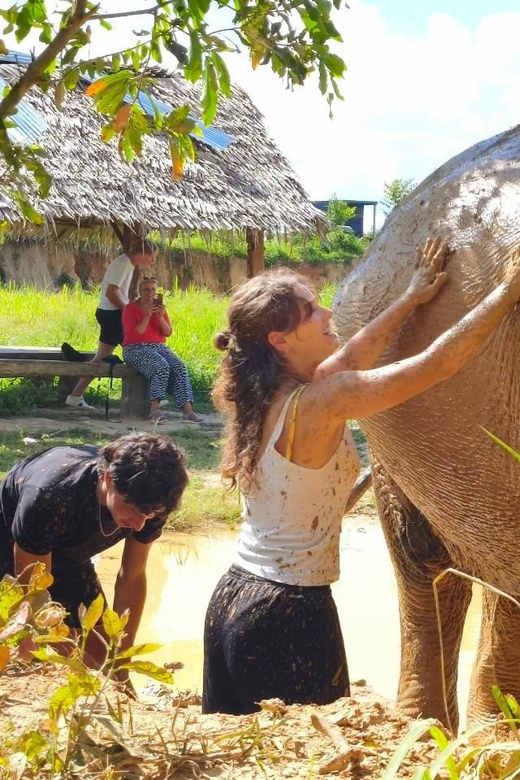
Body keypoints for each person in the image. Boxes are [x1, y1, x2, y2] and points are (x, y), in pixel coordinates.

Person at [202, 237, 520, 715]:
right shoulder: (324, 401)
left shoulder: (267, 395)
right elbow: (437, 364)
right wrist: (506, 291)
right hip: (287, 614)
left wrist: (412, 296)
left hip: (233, 600)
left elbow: (354, 353)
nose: (327, 314)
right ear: (280, 340)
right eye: (311, 312)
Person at [0, 433, 188, 665]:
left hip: (68, 552)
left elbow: (132, 576)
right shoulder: (51, 496)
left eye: (148, 514)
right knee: (48, 654)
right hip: (11, 542)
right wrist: (33, 657)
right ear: (108, 478)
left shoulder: (154, 502)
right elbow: (32, 595)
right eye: (131, 509)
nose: (139, 524)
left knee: (102, 656)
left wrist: (121, 665)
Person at [65, 240, 155, 410]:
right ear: (142, 253)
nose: (151, 261)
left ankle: (75, 396)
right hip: (113, 315)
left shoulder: (127, 263)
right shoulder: (123, 263)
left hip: (109, 313)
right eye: (151, 257)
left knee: (100, 358)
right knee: (140, 350)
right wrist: (128, 311)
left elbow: (117, 292)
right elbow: (111, 292)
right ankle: (153, 397)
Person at [122, 277, 202, 423]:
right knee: (161, 367)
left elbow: (167, 332)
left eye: (153, 289)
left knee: (179, 366)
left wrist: (160, 317)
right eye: (146, 289)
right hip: (135, 348)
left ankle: (187, 410)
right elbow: (136, 333)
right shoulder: (130, 308)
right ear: (140, 291)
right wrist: (147, 315)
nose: (150, 293)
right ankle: (154, 409)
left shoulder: (160, 309)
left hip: (158, 346)